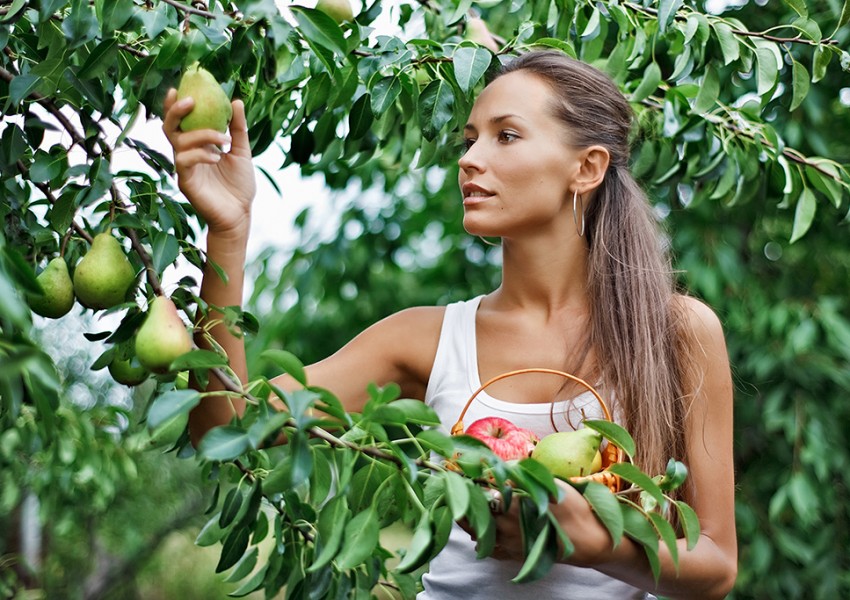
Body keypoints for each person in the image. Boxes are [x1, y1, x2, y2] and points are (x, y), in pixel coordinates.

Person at [162, 49, 737, 599]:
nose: (469, 158)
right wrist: (230, 232)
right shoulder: (427, 338)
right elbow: (224, 427)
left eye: (505, 136)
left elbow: (714, 569)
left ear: (586, 168)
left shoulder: (674, 332)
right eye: (469, 140)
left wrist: (593, 544)